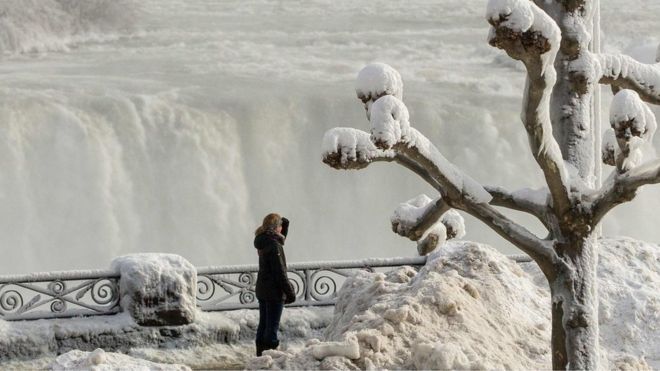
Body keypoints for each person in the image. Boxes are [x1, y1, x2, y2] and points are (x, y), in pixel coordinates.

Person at [253, 213, 296, 356]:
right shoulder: (274, 245)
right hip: (274, 292)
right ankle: (269, 359)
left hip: (263, 289)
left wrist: (285, 223)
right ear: (275, 228)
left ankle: (259, 356)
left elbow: (280, 239)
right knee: (271, 328)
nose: (281, 228)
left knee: (264, 324)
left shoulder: (263, 240)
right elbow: (280, 272)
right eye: (280, 226)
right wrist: (290, 292)